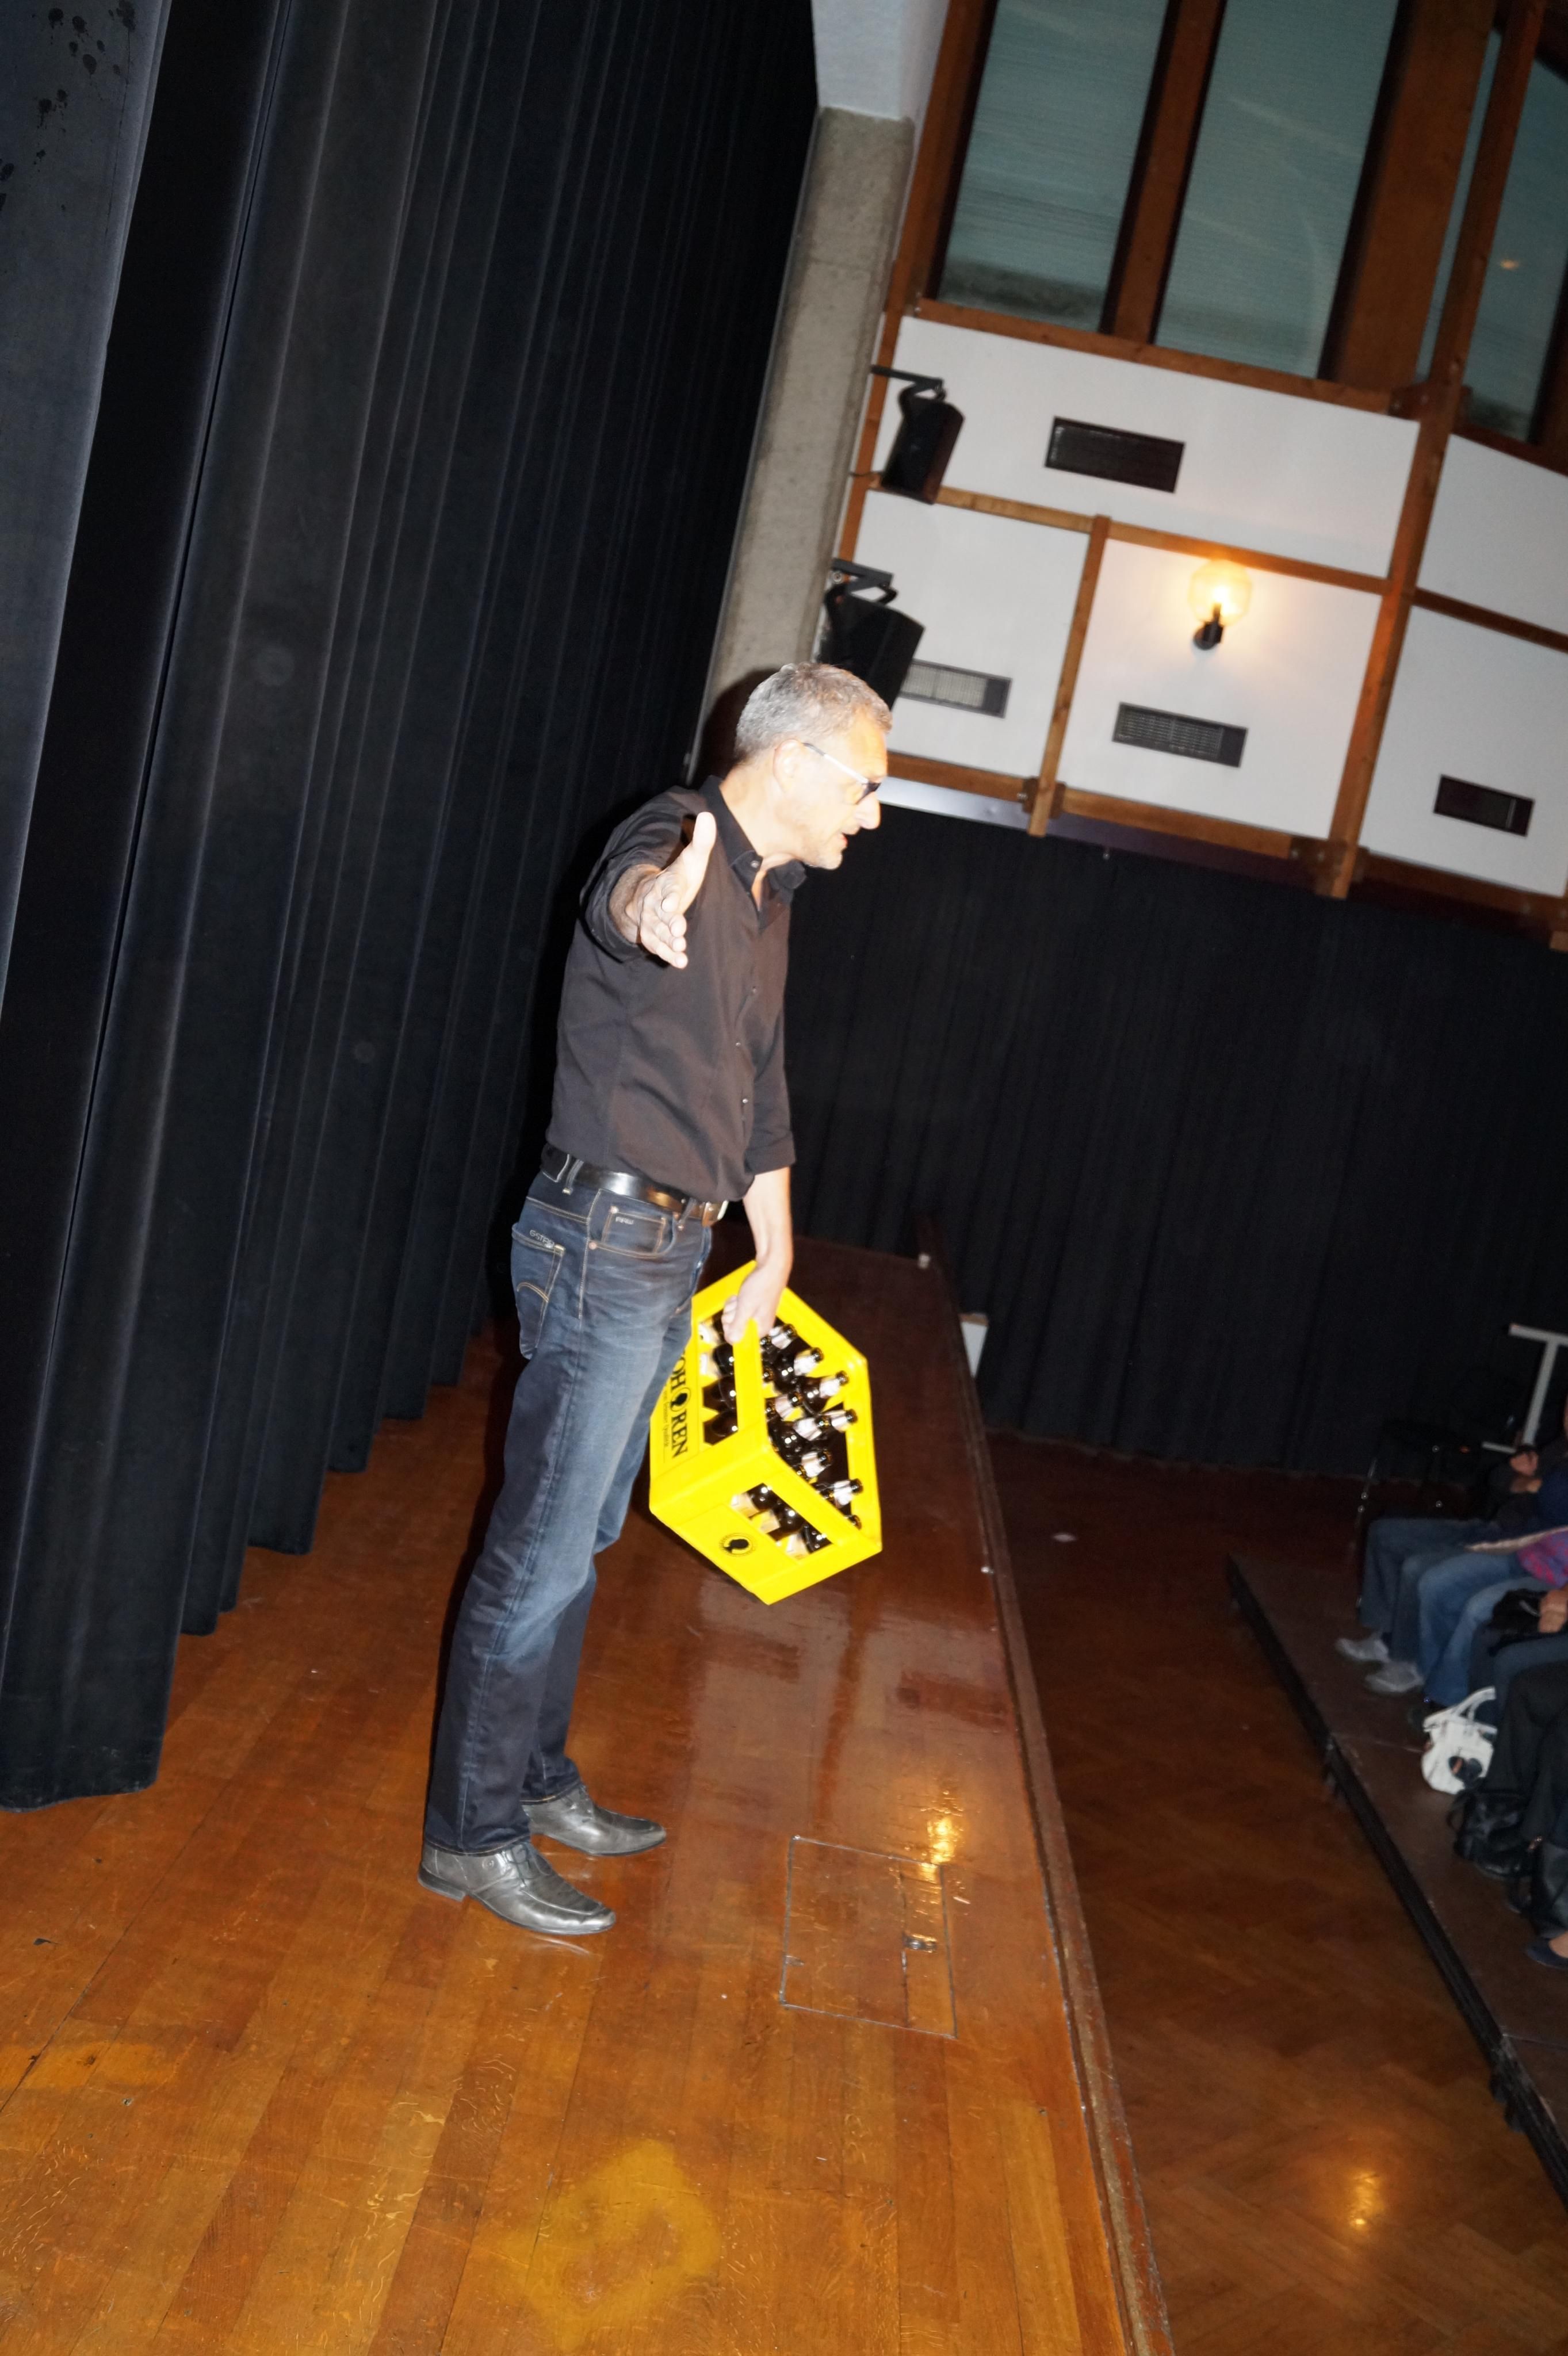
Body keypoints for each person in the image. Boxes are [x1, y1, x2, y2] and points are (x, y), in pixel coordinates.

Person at [418, 664, 890, 1938]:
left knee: (582, 1539)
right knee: (539, 1549)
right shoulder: (670, 835)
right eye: (864, 785)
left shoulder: (771, 899)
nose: (872, 814)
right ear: (791, 762)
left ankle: (532, 1778)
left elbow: (762, 1096)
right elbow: (625, 900)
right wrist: (652, 908)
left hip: (672, 1245)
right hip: (605, 1238)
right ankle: (470, 1837)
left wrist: (772, 1254)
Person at [1337, 1401, 1568, 1695]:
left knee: (1420, 1569)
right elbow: (1499, 1480)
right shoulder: (1558, 1449)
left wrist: (1534, 1485)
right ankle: (1388, 1634)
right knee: (1386, 1535)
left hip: (1522, 1545)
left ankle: (1408, 1660)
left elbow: (1554, 1507)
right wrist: (1521, 1481)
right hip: (1496, 1528)